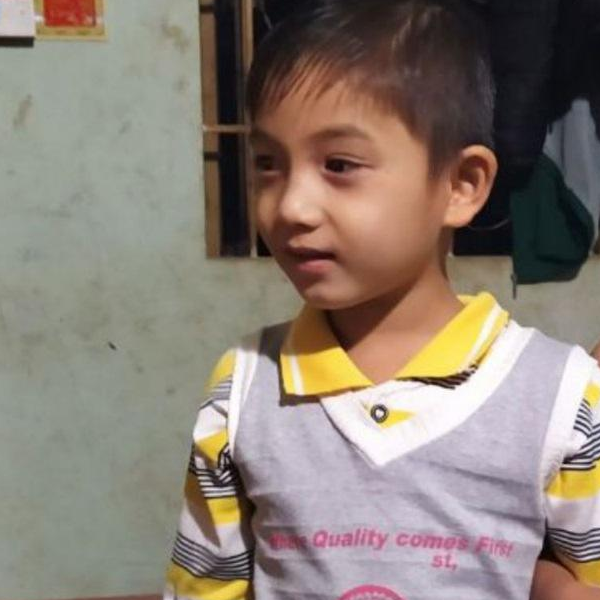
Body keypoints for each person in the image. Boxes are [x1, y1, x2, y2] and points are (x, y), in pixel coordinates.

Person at [164, 1, 600, 598]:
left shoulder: (562, 397)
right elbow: (203, 587)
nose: (290, 206)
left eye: (339, 165)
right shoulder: (242, 389)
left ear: (461, 185)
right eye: (268, 163)